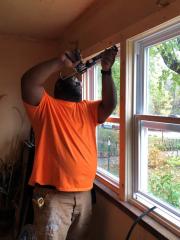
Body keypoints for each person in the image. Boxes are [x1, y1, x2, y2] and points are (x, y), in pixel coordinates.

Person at [21, 47, 117, 240]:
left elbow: (110, 104)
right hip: (51, 197)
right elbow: (27, 82)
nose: (76, 80)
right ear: (58, 88)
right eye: (70, 78)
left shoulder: (88, 109)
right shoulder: (46, 107)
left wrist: (106, 71)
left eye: (77, 80)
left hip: (84, 195)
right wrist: (60, 62)